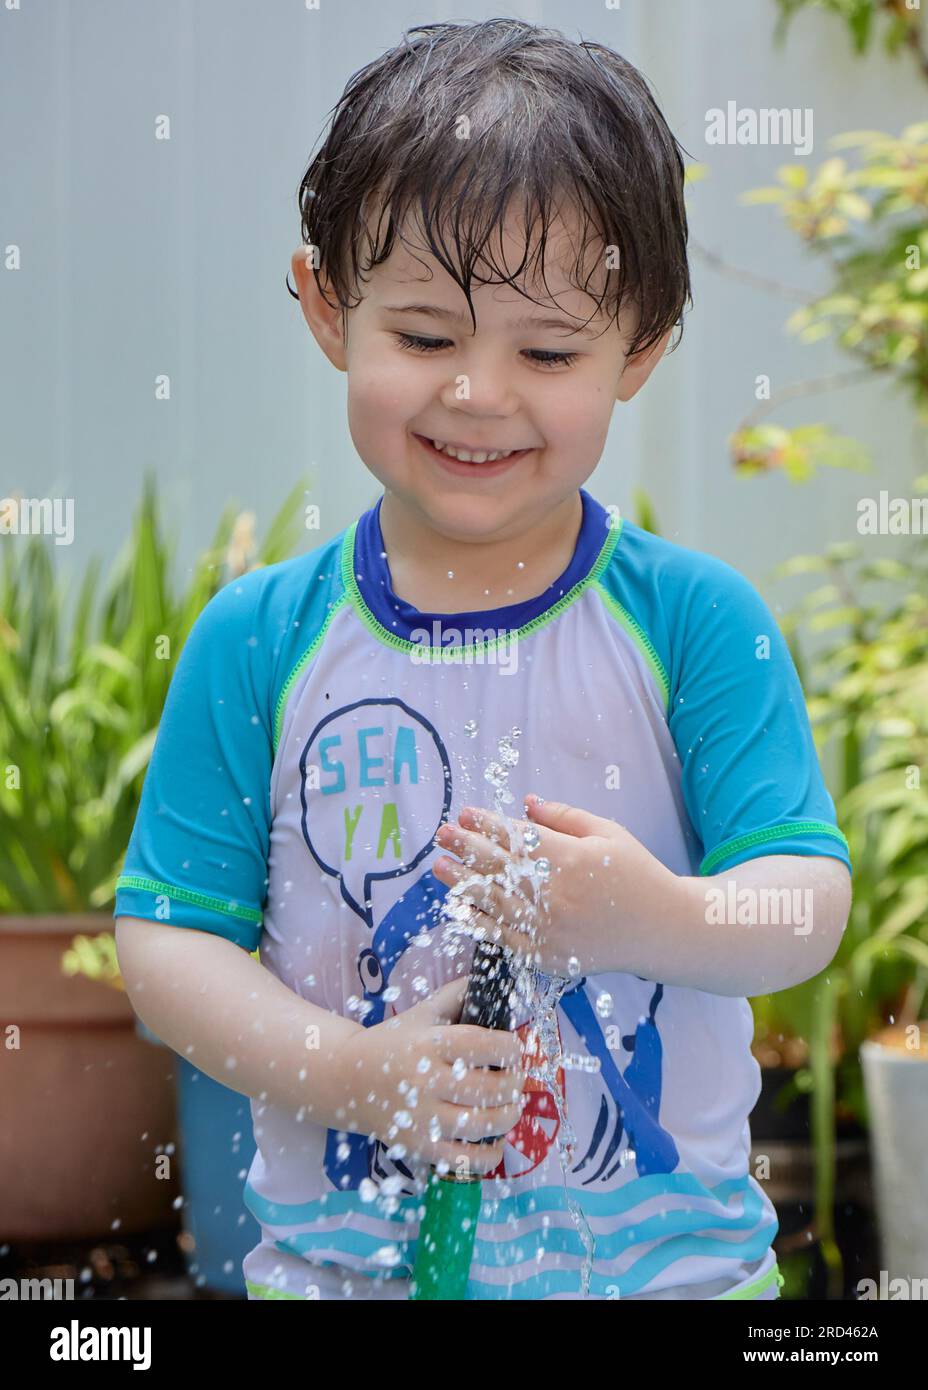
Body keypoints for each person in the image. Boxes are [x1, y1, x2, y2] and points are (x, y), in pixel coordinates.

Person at [114, 18, 852, 1301]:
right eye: (423, 337)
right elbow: (168, 948)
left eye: (548, 352)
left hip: (663, 1279)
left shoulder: (693, 622)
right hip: (340, 1276)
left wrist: (649, 916)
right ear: (327, 307)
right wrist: (354, 1074)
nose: (477, 394)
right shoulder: (258, 641)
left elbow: (803, 904)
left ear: (642, 348)